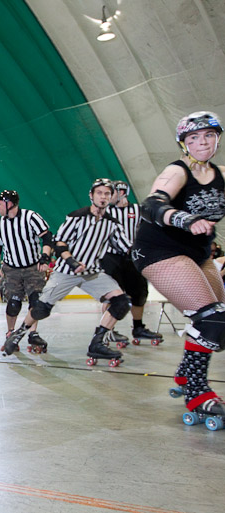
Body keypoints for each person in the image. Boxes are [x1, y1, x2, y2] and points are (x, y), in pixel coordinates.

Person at [131, 111, 225, 424]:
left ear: (217, 139)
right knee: (211, 319)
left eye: (209, 136)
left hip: (197, 253)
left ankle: (186, 372)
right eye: (194, 137)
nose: (203, 143)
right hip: (159, 251)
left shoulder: (222, 175)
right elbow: (152, 204)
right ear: (184, 143)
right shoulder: (178, 171)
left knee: (218, 322)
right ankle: (196, 391)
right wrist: (185, 218)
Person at [3, 179, 132, 367]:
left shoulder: (112, 223)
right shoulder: (76, 217)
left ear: (112, 197)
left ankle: (97, 343)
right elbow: (59, 242)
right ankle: (18, 334)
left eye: (107, 194)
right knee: (41, 309)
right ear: (91, 195)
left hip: (92, 273)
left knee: (121, 302)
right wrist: (72, 262)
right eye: (99, 193)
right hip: (65, 271)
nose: (103, 197)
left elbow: (127, 247)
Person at [0, 190, 53, 352]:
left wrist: (45, 257)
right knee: (13, 304)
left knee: (36, 302)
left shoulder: (31, 217)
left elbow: (47, 236)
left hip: (32, 268)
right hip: (11, 269)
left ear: (9, 204)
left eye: (0, 204)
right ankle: (10, 333)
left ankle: (32, 334)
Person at [102, 181, 163, 346]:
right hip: (110, 256)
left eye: (111, 193)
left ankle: (138, 328)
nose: (107, 196)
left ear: (121, 193)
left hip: (133, 256)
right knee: (111, 294)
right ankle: (107, 330)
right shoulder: (105, 210)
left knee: (139, 293)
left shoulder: (138, 210)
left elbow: (148, 230)